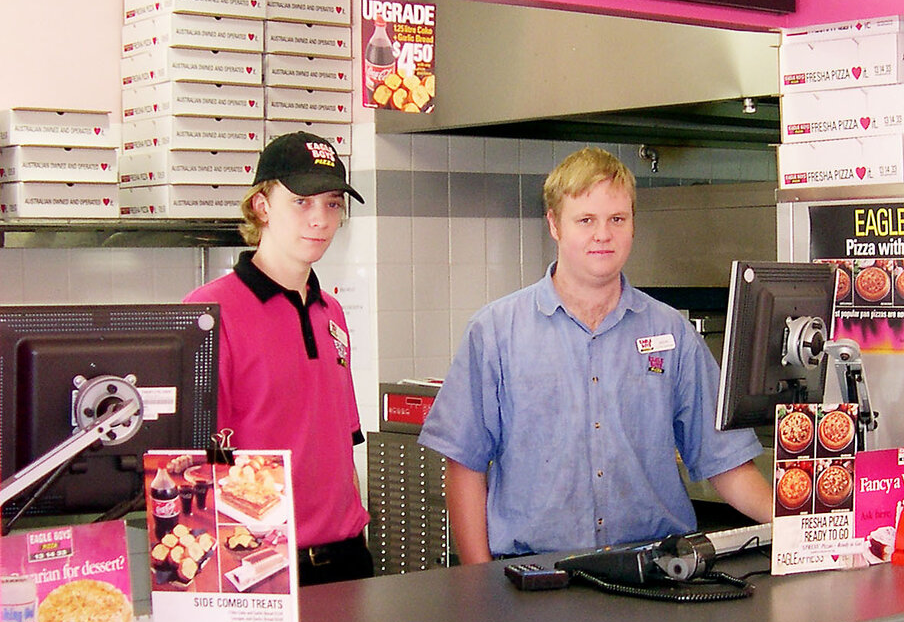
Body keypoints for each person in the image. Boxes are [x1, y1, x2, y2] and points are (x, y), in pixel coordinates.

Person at [418, 148, 772, 563]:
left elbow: (724, 462)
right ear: (554, 224)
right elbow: (464, 467)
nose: (603, 234)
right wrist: (478, 585)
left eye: (617, 219)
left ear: (633, 224)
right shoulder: (495, 332)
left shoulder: (671, 332)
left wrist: (799, 529)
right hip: (532, 577)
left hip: (653, 572)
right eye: (586, 220)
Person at [184, 131, 374, 584]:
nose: (320, 219)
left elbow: (341, 445)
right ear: (262, 206)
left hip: (347, 559)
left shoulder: (333, 311)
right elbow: (202, 463)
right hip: (261, 563)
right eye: (302, 202)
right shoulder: (209, 313)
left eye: (332, 204)